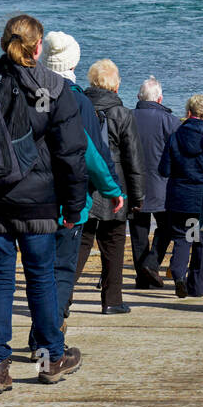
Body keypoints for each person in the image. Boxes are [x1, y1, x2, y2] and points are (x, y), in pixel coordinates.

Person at [0, 14, 86, 393]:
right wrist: (73, 208)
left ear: (4, 42)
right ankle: (51, 358)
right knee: (40, 280)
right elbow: (71, 155)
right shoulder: (54, 88)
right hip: (38, 204)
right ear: (37, 47)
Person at [33, 31, 124, 352]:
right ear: (73, 62)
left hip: (29, 196)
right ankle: (47, 337)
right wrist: (112, 188)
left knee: (37, 270)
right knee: (60, 270)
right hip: (69, 199)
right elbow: (92, 152)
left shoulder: (30, 91)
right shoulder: (77, 99)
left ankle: (39, 335)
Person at [78, 59, 147, 315]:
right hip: (115, 188)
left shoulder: (79, 108)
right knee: (114, 247)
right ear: (115, 85)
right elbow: (133, 160)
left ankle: (63, 298)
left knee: (81, 244)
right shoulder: (123, 113)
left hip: (84, 186)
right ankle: (111, 300)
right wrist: (138, 196)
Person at [159, 94, 203, 298]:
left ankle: (178, 276)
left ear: (189, 112)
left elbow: (164, 169)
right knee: (202, 241)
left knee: (183, 238)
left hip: (181, 196)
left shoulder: (176, 136)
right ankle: (197, 284)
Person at [131, 76, 177, 289]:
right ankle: (150, 264)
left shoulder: (128, 117)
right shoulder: (170, 121)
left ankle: (143, 277)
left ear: (139, 97)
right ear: (159, 99)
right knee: (166, 227)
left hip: (134, 184)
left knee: (139, 232)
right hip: (162, 185)